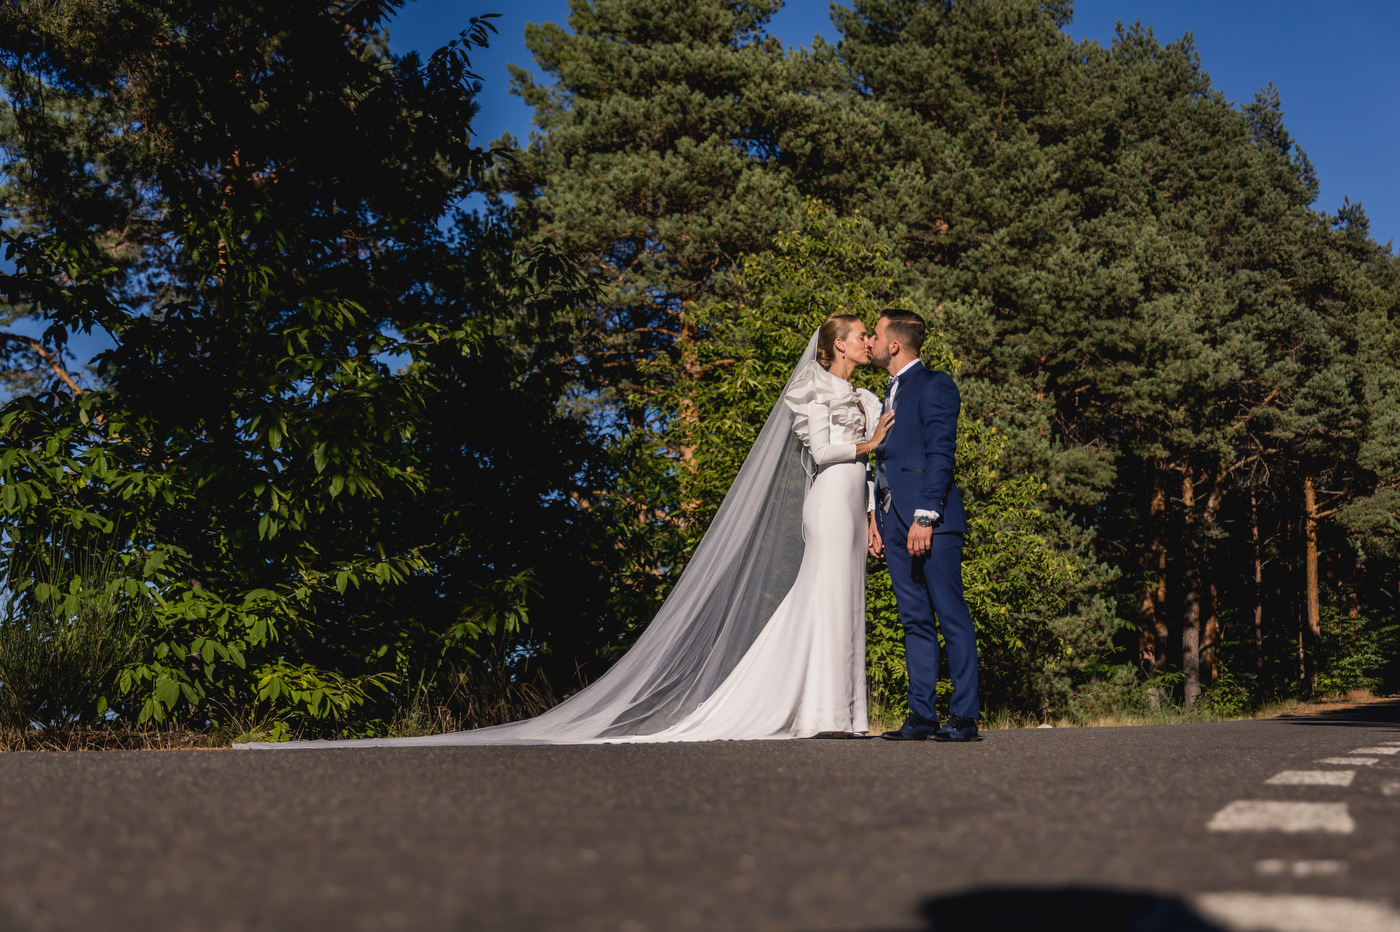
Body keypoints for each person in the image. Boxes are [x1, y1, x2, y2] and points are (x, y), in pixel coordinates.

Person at [237, 315, 892, 748]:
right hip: (824, 496)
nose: (868, 339)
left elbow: (860, 467)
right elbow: (829, 456)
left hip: (848, 503)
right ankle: (818, 712)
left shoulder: (865, 402)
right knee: (820, 595)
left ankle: (836, 710)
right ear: (836, 345)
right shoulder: (808, 392)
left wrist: (871, 517)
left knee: (837, 601)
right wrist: (869, 444)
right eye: (861, 332)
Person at [867, 308, 981, 742]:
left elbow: (941, 456)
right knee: (913, 620)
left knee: (950, 617)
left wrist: (924, 517)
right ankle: (921, 715)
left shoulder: (936, 385)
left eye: (875, 335)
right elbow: (884, 466)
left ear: (894, 344)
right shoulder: (886, 395)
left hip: (930, 521)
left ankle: (964, 717)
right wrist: (876, 520)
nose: (871, 343)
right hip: (893, 524)